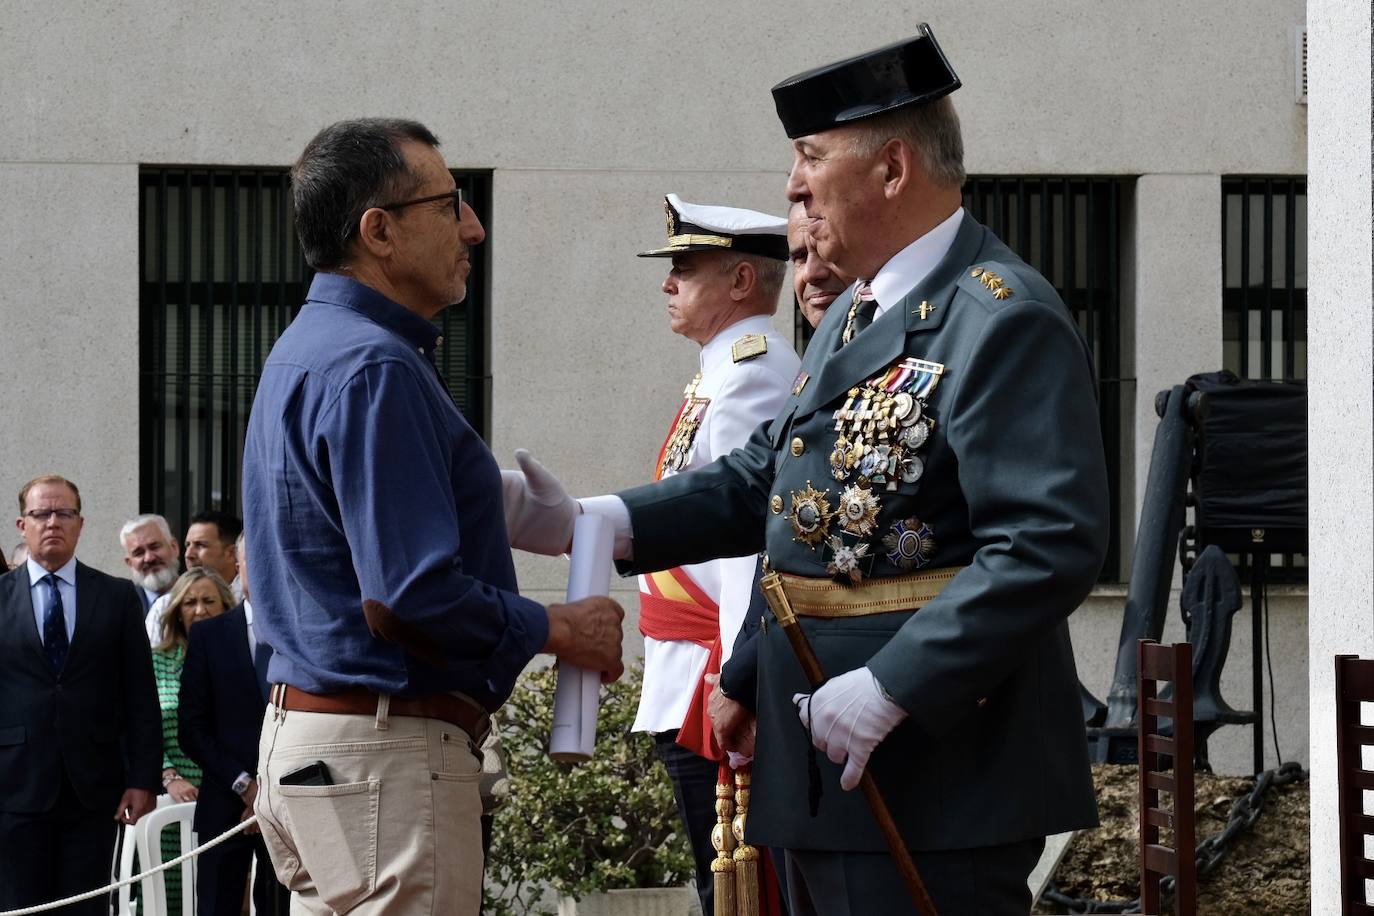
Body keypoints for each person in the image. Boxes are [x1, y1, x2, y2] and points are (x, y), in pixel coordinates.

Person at [519, 28, 1109, 915]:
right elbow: (768, 479)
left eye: (809, 157)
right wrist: (599, 520)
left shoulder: (998, 315)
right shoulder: (856, 310)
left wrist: (894, 684)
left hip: (934, 770)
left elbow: (1047, 544)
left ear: (893, 170)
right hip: (820, 760)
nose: (792, 187)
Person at [242, 117, 624, 916]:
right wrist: (559, 628)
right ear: (379, 232)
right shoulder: (375, 364)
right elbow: (409, 596)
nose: (473, 227)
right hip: (381, 756)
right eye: (451, 204)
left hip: (318, 751)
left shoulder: (312, 348)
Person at [626, 193, 798, 914]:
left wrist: (739, 680)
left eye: (687, 267)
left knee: (735, 890)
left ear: (741, 283)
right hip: (689, 669)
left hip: (710, 680)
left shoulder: (752, 370)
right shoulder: (724, 367)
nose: (668, 283)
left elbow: (745, 544)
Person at [0, 475, 161, 915]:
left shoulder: (115, 596)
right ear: (21, 524)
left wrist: (143, 778)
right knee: (20, 907)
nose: (53, 522)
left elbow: (139, 693)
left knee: (86, 907)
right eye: (41, 514)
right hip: (14, 788)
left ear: (80, 522)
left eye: (63, 513)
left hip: (95, 788)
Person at [180, 533, 291, 916]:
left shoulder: (302, 634)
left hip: (288, 802)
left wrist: (269, 792)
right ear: (237, 566)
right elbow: (192, 728)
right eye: (254, 563)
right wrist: (244, 785)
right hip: (225, 801)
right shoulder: (209, 635)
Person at [152, 566, 235, 911]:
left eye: (208, 601)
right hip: (170, 799)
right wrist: (169, 775)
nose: (199, 610)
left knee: (218, 899)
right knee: (167, 900)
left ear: (225, 608)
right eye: (189, 602)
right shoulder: (154, 662)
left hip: (227, 796)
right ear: (176, 611)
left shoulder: (238, 661)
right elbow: (140, 728)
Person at [120, 513, 181, 643]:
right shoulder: (119, 608)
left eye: (155, 547)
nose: (149, 558)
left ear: (174, 548)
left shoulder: (197, 598)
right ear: (129, 563)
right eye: (139, 553)